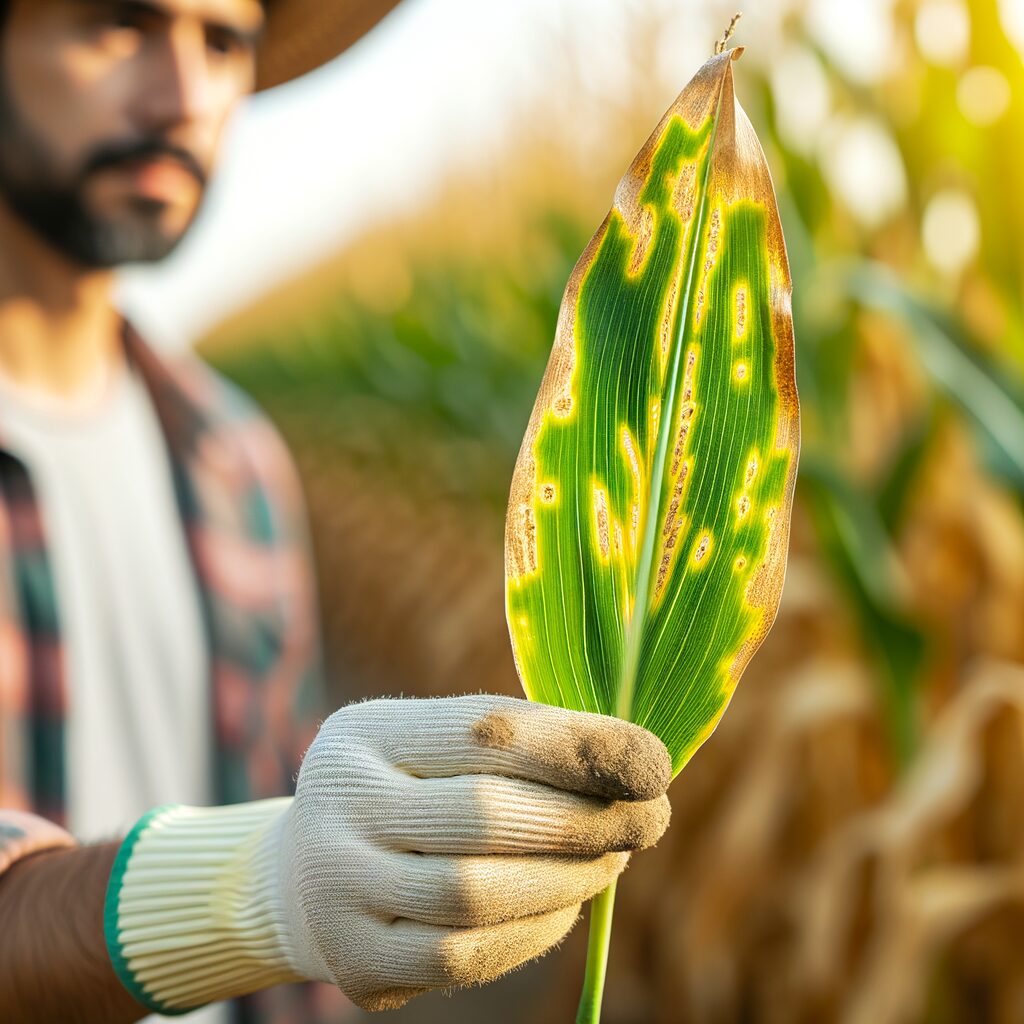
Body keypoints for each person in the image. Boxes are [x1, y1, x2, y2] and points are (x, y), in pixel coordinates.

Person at [0, 2, 673, 1022]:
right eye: (118, 22)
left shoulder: (235, 459)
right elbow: (289, 873)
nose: (184, 96)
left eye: (223, 42)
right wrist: (259, 888)